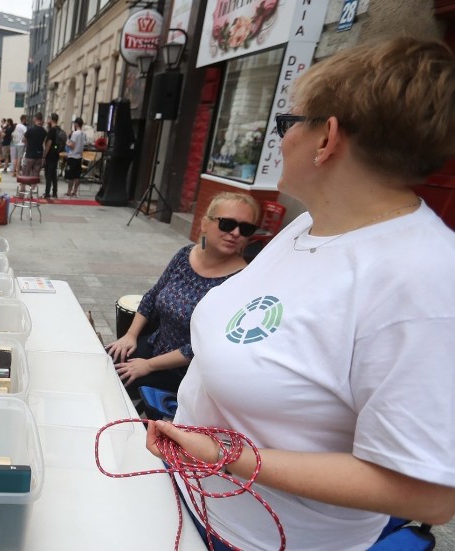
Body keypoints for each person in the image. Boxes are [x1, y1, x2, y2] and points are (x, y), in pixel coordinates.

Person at [147, 37, 455, 551]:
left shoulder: (423, 279)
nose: (280, 141)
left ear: (327, 138)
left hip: (257, 539)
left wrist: (225, 455)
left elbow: (428, 493)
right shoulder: (309, 225)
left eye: (287, 124)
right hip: (191, 499)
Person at [107, 192, 259, 399]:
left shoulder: (242, 280)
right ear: (205, 223)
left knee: (116, 386)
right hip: (155, 344)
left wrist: (148, 366)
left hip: (186, 373)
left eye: (246, 228)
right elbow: (153, 296)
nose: (235, 233)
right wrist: (130, 335)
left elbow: (204, 345)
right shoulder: (185, 254)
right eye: (227, 224)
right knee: (104, 361)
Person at [42, 113, 63, 198]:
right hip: (56, 153)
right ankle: (54, 192)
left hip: (50, 154)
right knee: (54, 174)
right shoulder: (59, 129)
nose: (47, 121)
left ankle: (47, 193)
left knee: (48, 174)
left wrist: (44, 155)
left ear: (51, 119)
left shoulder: (51, 130)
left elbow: (49, 143)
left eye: (48, 119)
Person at [64, 117, 86, 196]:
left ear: (76, 124)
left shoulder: (75, 133)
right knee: (77, 175)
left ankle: (69, 191)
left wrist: (67, 143)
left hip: (72, 156)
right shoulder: (83, 134)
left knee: (70, 175)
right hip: (79, 157)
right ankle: (75, 191)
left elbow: (72, 146)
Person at [22, 112, 46, 177]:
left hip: (29, 155)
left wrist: (29, 141)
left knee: (25, 174)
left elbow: (23, 140)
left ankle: (23, 187)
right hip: (39, 156)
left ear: (35, 119)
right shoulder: (44, 131)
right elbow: (44, 143)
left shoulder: (30, 130)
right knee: (35, 175)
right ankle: (32, 187)